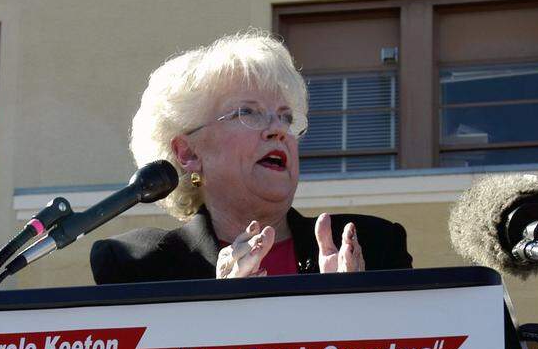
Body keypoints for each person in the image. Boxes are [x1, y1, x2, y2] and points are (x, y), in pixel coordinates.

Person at [90, 30, 411, 283]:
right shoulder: (141, 262)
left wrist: (358, 311)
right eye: (249, 113)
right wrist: (222, 311)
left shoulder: (373, 246)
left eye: (285, 117)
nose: (278, 130)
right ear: (187, 153)